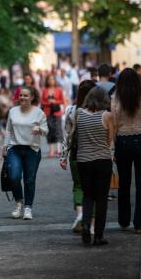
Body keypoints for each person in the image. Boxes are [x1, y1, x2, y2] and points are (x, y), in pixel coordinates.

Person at [112, 68, 141, 234]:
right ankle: (140, 225)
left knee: (124, 182)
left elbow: (113, 124)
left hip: (122, 140)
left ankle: (123, 220)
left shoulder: (115, 98)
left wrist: (112, 147)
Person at [76, 87, 114, 245]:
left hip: (83, 160)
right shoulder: (107, 116)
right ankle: (98, 235)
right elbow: (110, 140)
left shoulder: (79, 113)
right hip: (102, 160)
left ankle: (85, 225)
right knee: (101, 199)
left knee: (87, 195)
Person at [4, 86, 48, 220]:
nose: (22, 98)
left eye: (25, 95)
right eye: (21, 95)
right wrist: (5, 147)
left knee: (29, 180)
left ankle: (28, 207)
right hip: (15, 149)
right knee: (14, 177)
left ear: (32, 97)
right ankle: (19, 203)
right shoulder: (13, 111)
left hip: (32, 150)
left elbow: (46, 131)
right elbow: (8, 130)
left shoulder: (39, 113)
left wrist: (39, 128)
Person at [60, 80, 96, 233]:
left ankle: (80, 215)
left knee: (78, 186)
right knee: (94, 189)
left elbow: (67, 135)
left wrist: (63, 156)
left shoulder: (71, 110)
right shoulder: (101, 111)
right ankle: (93, 225)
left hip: (76, 153)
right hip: (96, 154)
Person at [41, 75, 64, 158]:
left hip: (57, 112)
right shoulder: (44, 90)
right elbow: (42, 102)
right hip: (47, 112)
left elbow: (62, 100)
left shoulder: (59, 89)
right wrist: (49, 102)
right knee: (49, 130)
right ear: (47, 81)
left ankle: (58, 149)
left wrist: (54, 101)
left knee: (58, 129)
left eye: (52, 79)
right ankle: (51, 150)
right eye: (49, 79)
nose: (51, 81)